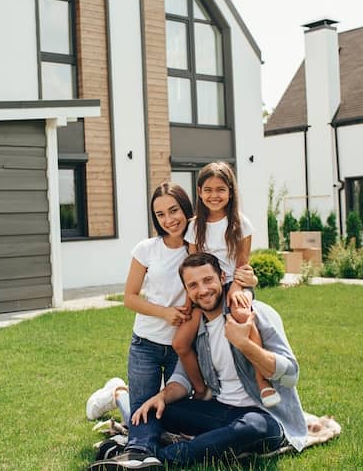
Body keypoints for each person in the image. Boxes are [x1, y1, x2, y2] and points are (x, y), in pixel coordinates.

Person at [91, 252, 307, 470]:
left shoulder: (257, 314)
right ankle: (121, 396)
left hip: (264, 417)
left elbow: (290, 376)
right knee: (153, 409)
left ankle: (159, 457)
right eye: (193, 285)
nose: (202, 290)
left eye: (208, 280)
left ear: (223, 278)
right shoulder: (196, 330)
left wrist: (245, 344)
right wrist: (162, 397)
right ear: (187, 291)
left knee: (253, 427)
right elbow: (181, 380)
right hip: (220, 412)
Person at [172, 162, 280, 407]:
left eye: (220, 189)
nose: (214, 195)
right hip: (204, 288)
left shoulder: (240, 223)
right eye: (208, 190)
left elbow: (242, 264)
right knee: (179, 342)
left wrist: (234, 288)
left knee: (241, 313)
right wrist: (190, 303)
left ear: (231, 191)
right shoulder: (194, 226)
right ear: (199, 192)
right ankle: (201, 390)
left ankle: (262, 382)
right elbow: (192, 266)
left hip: (235, 283)